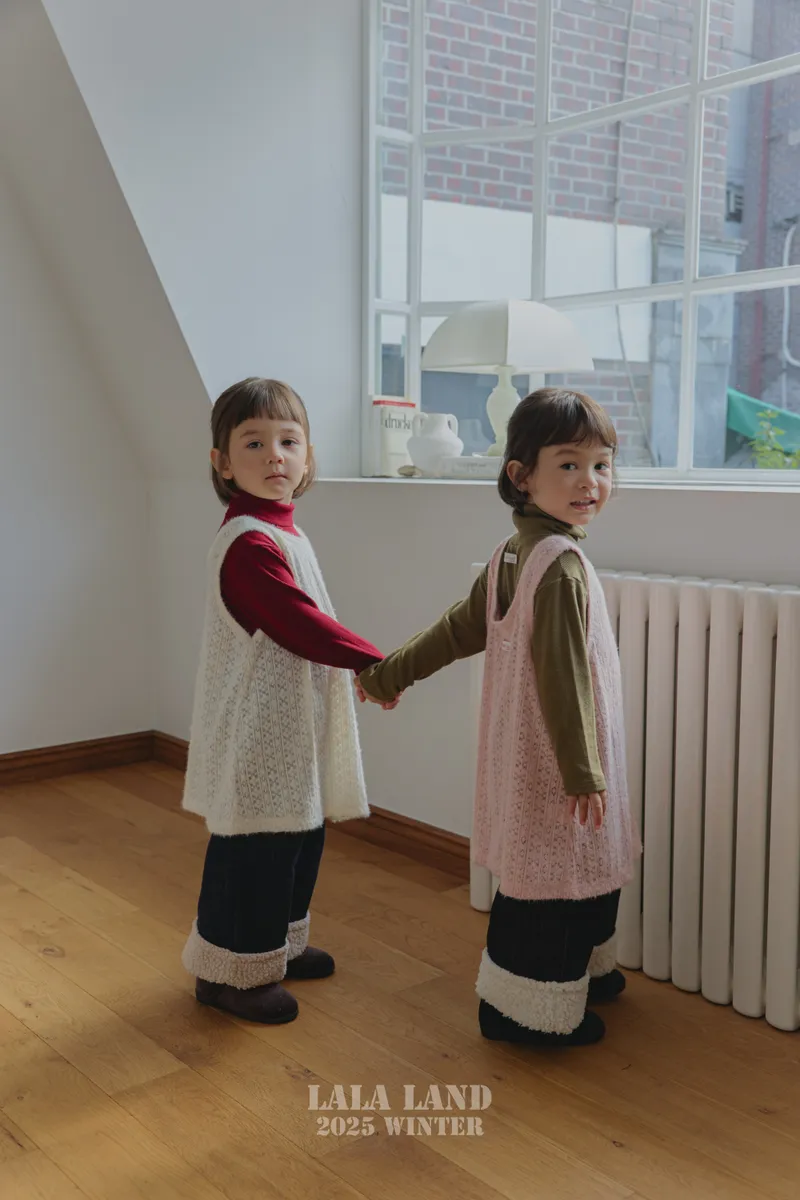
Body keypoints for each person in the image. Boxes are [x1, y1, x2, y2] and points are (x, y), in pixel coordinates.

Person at [356, 387, 640, 1046]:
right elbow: (564, 678)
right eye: (568, 465)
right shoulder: (559, 567)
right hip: (560, 758)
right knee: (556, 876)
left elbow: (456, 629)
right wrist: (582, 772)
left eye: (601, 465)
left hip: (527, 753)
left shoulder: (514, 552)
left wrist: (387, 674)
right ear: (521, 475)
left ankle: (580, 971)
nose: (590, 482)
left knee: (559, 865)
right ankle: (524, 1010)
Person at [181, 377, 389, 1024]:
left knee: (299, 838)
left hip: (292, 723)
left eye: (289, 441)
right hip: (259, 728)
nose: (275, 455)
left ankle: (278, 945)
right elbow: (297, 620)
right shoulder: (248, 542)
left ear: (307, 457)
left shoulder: (286, 532)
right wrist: (373, 661)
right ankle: (230, 973)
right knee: (256, 850)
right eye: (254, 443)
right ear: (222, 462)